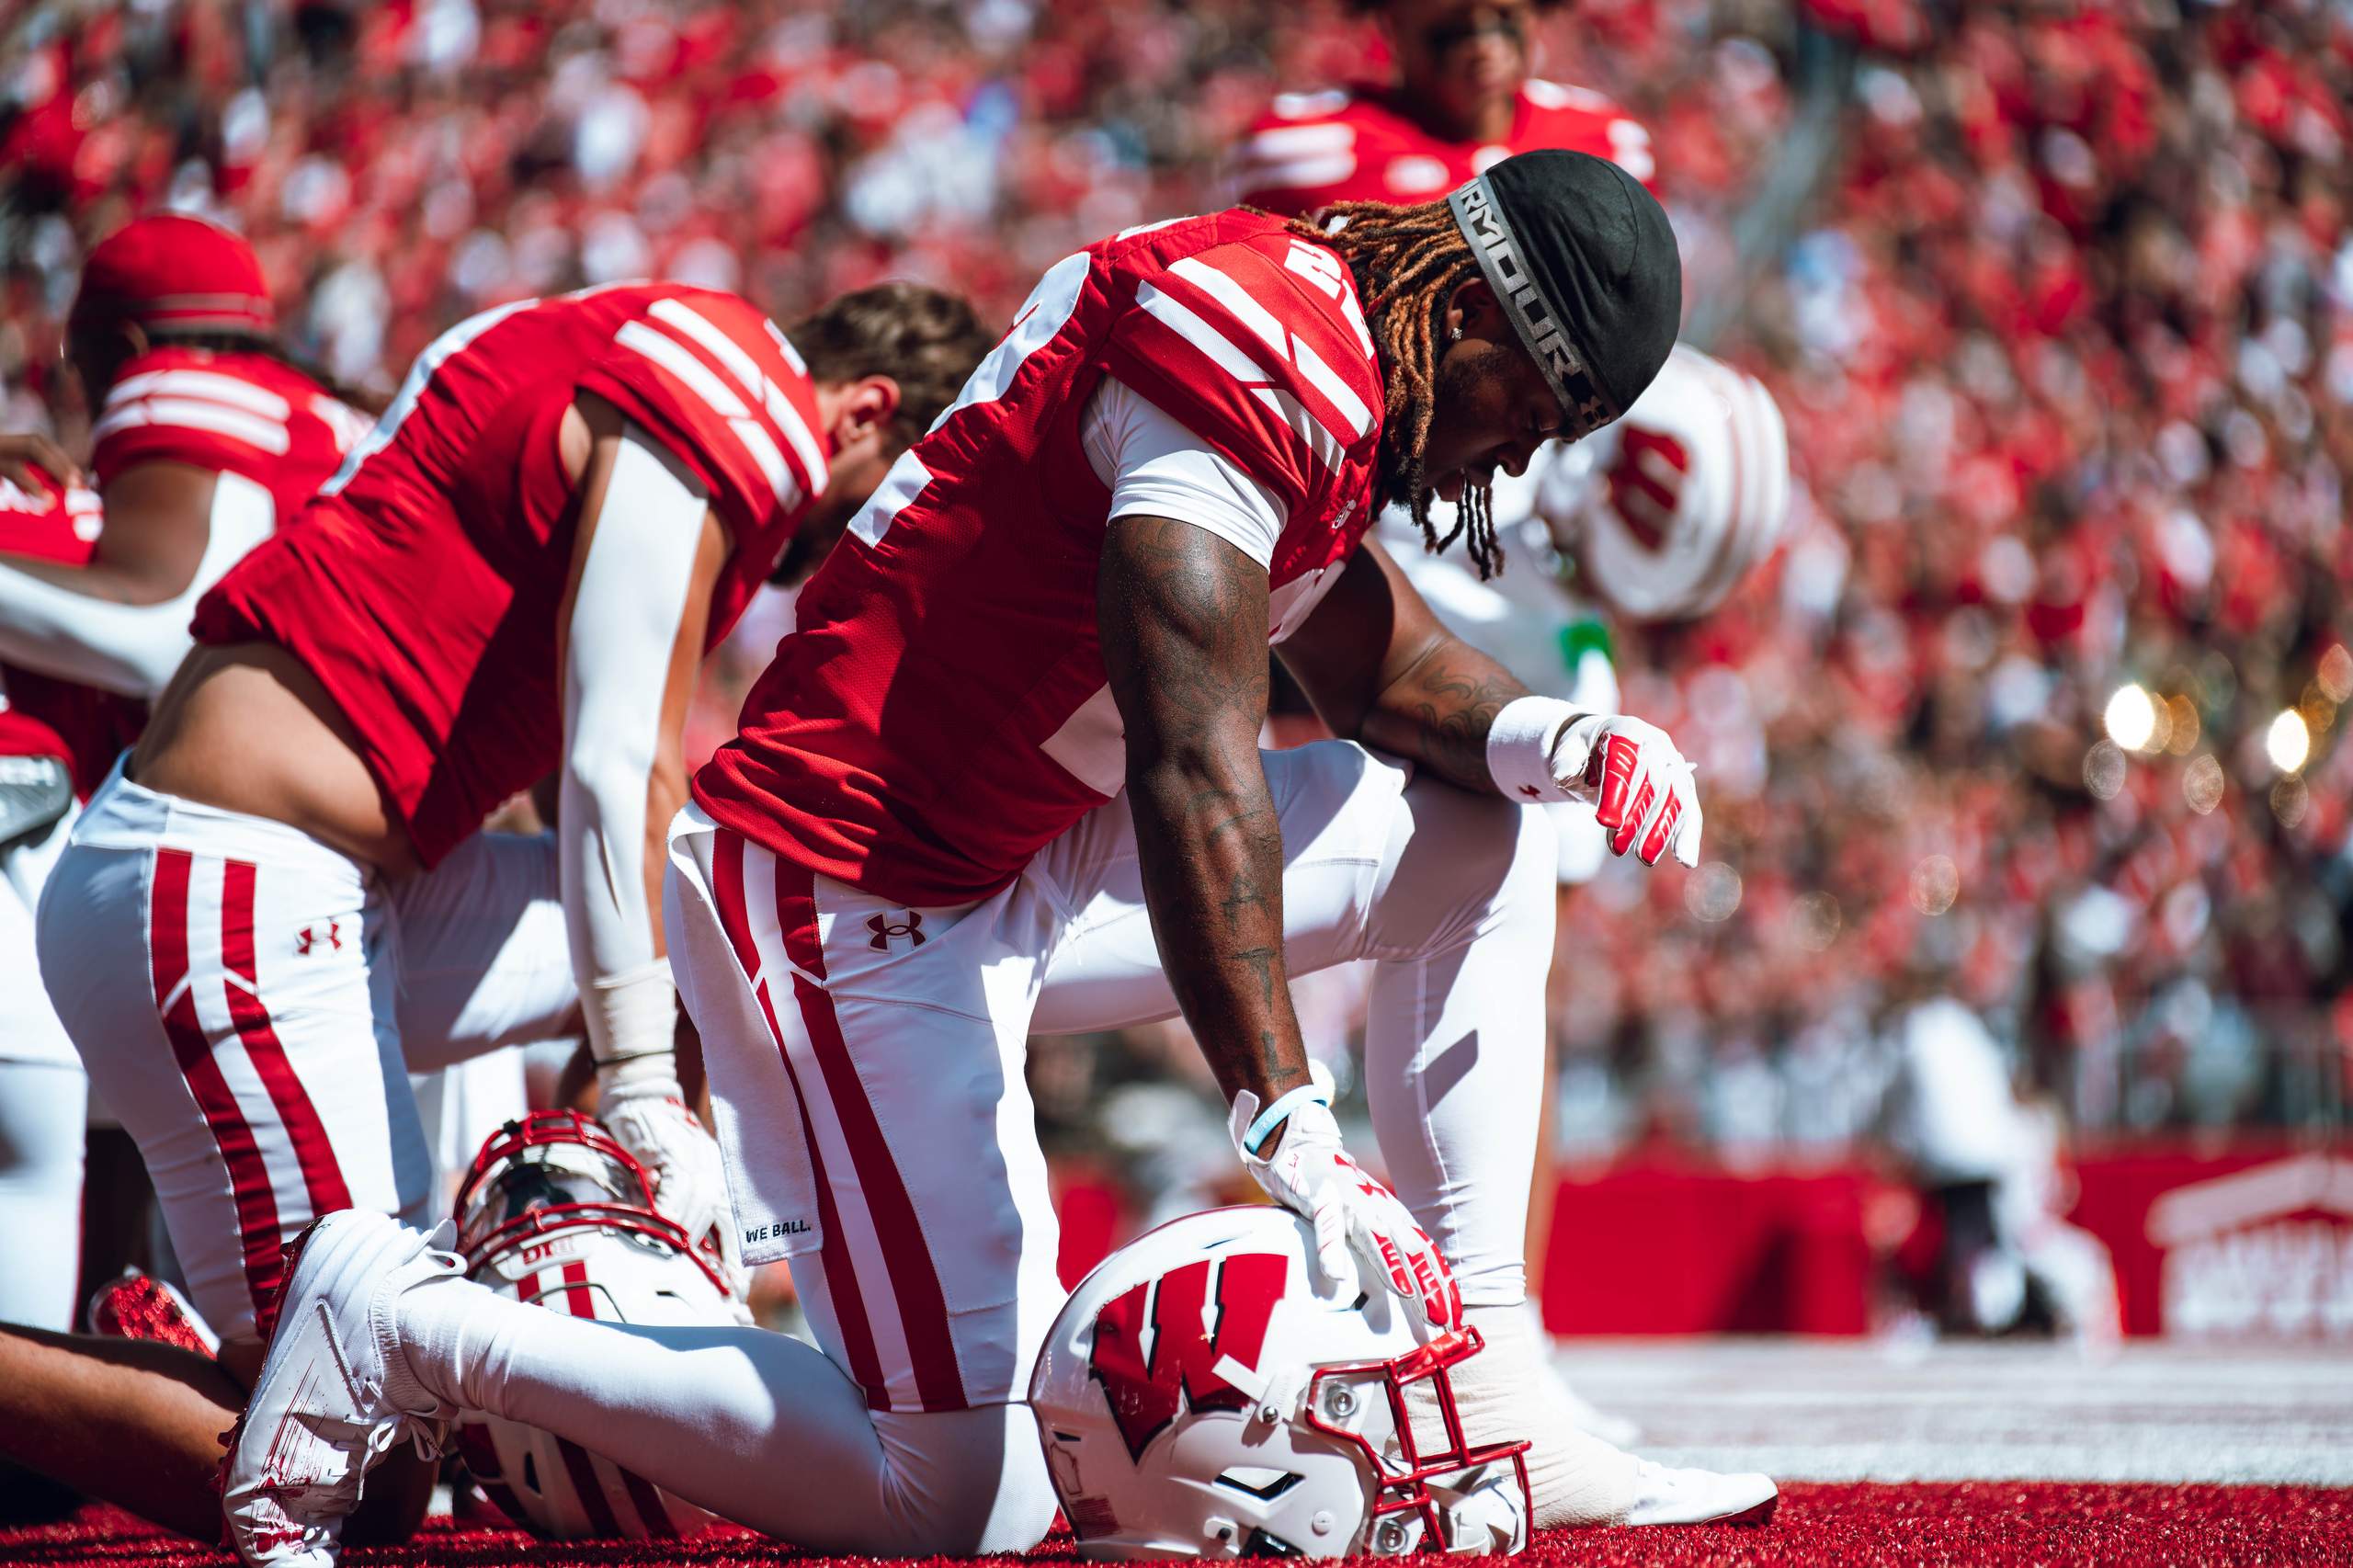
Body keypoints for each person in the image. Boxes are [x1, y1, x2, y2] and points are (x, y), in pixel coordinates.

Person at [223, 149, 1775, 1568]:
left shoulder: (1320, 336)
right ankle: (407, 1319)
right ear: (1488, 335)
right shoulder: (1262, 349)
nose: (1511, 463)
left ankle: (1496, 1375)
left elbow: (1376, 669)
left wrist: (1559, 743)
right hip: (848, 884)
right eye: (1534, 416)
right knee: (960, 1492)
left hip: (1006, 856)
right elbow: (1193, 767)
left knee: (1479, 832)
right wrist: (1291, 1115)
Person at [0, 277, 992, 1543]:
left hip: (317, 877)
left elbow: (567, 778)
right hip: (235, 874)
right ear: (867, 409)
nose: (869, 545)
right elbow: (615, 759)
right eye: (891, 501)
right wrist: (639, 1078)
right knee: (359, 1476)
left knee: (720, 920)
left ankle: (621, 1261)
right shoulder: (725, 384)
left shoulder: (640, 340)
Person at [1237, 0, 1790, 1444]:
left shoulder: (1602, 138)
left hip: (1529, 589)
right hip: (1375, 564)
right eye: (1449, 14)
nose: (1480, 37)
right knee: (1324, 922)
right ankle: (1316, 1283)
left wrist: (1629, 518)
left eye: (1506, 12)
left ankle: (1500, 1322)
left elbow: (1619, 394)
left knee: (1513, 927)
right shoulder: (1306, 142)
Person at [0, 214, 373, 1339]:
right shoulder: (334, 424)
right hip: (356, 841)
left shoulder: (177, 406)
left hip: (135, 865)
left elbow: (159, 622)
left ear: (128, 341)